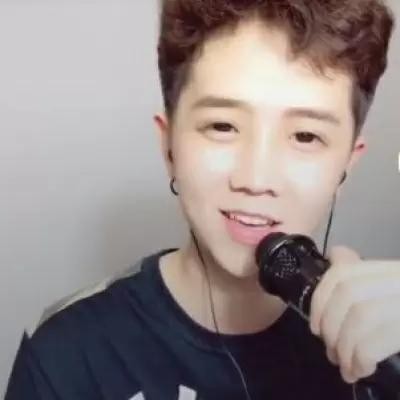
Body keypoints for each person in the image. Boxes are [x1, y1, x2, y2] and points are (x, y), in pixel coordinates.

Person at [5, 0, 398, 399]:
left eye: (306, 136)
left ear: (346, 165)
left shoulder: (386, 350)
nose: (256, 180)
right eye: (222, 126)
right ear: (169, 147)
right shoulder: (66, 353)